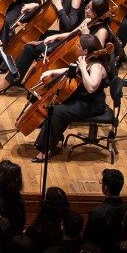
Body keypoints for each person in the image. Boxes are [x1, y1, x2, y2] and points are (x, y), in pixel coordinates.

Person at [31, 33, 112, 161]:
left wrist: (84, 69)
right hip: (81, 99)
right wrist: (52, 71)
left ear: (86, 50)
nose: (76, 47)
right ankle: (54, 141)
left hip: (91, 104)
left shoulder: (97, 66)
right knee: (55, 105)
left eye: (79, 46)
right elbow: (72, 70)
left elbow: (91, 88)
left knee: (56, 112)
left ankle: (45, 150)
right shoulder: (85, 59)